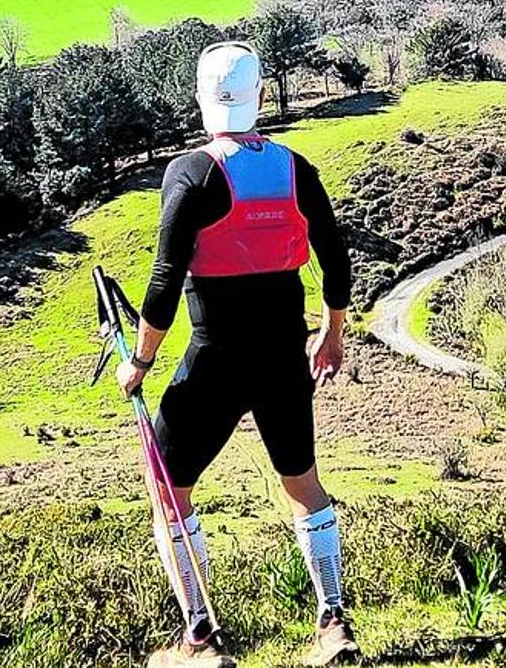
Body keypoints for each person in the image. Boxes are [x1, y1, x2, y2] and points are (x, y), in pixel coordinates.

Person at [116, 41, 358, 668]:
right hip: (283, 355)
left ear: (201, 99)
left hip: (215, 359)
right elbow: (335, 257)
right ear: (255, 98)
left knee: (168, 492)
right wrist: (331, 334)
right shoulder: (294, 167)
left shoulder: (190, 173)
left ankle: (200, 636)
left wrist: (138, 363)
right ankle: (333, 623)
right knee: (303, 486)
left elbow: (166, 279)